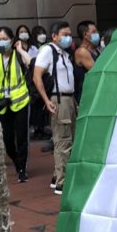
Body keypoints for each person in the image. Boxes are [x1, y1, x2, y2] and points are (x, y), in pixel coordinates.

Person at [33, 21, 76, 195]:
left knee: (69, 138)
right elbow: (37, 76)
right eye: (65, 34)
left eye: (69, 34)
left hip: (69, 99)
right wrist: (46, 99)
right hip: (58, 99)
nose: (68, 37)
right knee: (63, 141)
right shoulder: (48, 51)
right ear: (55, 36)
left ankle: (56, 176)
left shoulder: (63, 53)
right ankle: (62, 182)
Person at [0, 26, 32, 183]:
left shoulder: (18, 55)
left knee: (21, 136)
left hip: (21, 100)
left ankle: (22, 169)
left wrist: (20, 50)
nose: (2, 41)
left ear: (12, 40)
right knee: (7, 138)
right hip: (3, 103)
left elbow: (30, 63)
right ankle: (17, 161)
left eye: (5, 38)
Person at [74, 20, 100, 107]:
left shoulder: (96, 50)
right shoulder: (82, 52)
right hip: (86, 96)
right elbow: (97, 71)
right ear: (85, 34)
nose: (97, 34)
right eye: (94, 32)